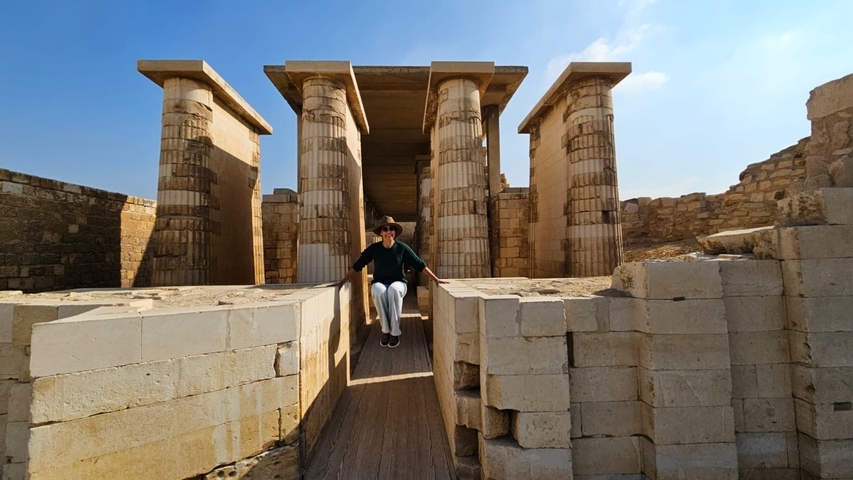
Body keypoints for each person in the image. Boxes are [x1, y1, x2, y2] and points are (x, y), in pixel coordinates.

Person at [337, 215, 446, 348]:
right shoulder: (374, 249)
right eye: (385, 229)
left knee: (393, 290)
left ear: (395, 232)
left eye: (391, 229)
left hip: (399, 283)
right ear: (381, 232)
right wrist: (342, 281)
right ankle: (385, 331)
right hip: (381, 283)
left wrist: (436, 279)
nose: (389, 232)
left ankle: (395, 333)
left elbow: (419, 264)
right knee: (377, 290)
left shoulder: (402, 248)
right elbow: (358, 265)